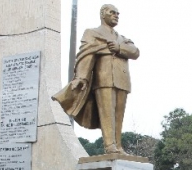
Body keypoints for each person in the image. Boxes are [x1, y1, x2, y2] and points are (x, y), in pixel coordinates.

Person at [52, 4, 139, 154]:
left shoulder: (122, 39)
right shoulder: (92, 33)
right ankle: (110, 146)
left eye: (118, 13)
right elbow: (85, 56)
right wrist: (80, 77)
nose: (116, 15)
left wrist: (118, 48)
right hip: (104, 79)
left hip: (122, 80)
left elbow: (135, 52)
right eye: (112, 13)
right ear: (103, 14)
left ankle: (119, 146)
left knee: (119, 115)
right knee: (107, 114)